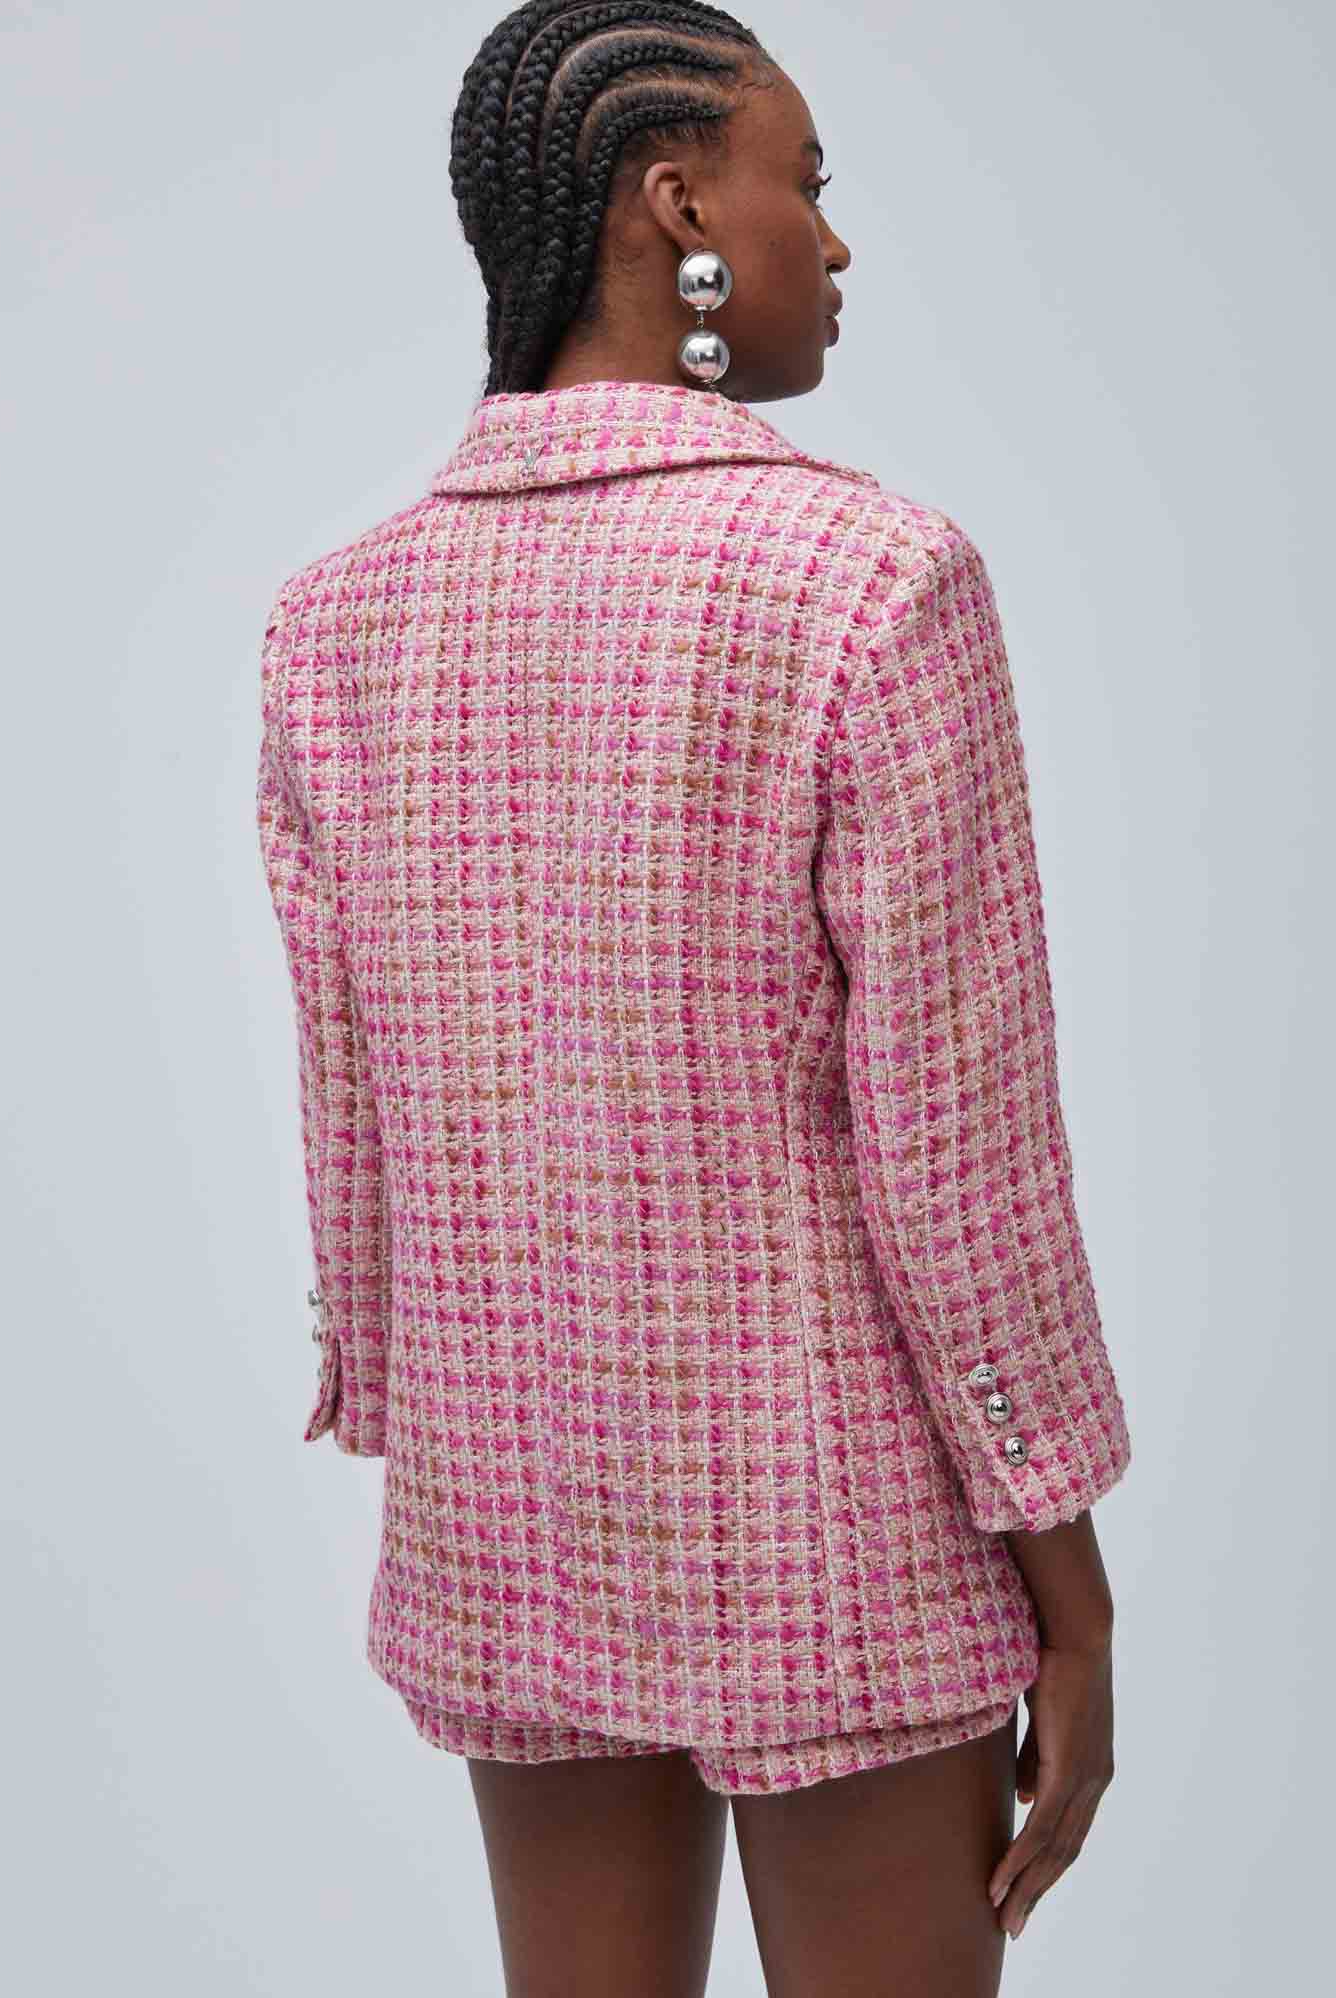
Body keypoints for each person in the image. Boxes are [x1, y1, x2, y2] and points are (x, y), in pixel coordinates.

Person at [254, 6, 1134, 1993]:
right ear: (678, 209)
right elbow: (960, 1154)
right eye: (803, 184)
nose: (834, 236)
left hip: (507, 1507)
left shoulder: (334, 624)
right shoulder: (871, 582)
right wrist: (1068, 1584)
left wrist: (406, 1393)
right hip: (839, 1523)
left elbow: (351, 1113)